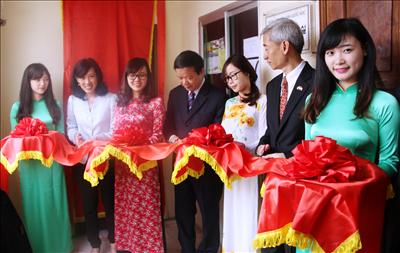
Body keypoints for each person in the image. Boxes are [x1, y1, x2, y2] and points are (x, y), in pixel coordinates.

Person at [302, 17, 400, 253]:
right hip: (314, 205)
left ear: (364, 50)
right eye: (330, 53)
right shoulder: (313, 101)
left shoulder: (384, 103)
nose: (338, 60)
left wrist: (354, 183)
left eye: (347, 50)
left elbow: (390, 161)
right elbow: (307, 153)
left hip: (357, 208)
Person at [255, 18, 315, 253]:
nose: (265, 56)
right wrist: (264, 143)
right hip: (275, 178)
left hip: (302, 176)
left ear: (285, 46)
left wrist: (288, 154)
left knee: (295, 241)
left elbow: (319, 136)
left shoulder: (318, 82)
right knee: (274, 240)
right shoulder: (272, 86)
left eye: (267, 47)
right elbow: (273, 129)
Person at [164, 50, 227, 253]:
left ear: (201, 72)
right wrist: (173, 138)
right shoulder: (175, 94)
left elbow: (219, 131)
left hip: (206, 166)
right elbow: (168, 126)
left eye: (189, 77)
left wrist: (196, 142)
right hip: (181, 165)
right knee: (183, 212)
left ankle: (209, 249)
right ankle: (187, 249)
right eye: (180, 77)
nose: (185, 82)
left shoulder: (218, 96)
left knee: (209, 213)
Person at [10, 63, 72, 253]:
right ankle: (38, 248)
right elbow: (15, 140)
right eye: (37, 79)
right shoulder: (18, 108)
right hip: (29, 166)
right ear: (28, 82)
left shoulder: (56, 105)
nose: (42, 83)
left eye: (45, 79)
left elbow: (61, 134)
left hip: (52, 162)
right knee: (34, 207)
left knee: (56, 204)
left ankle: (61, 247)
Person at [112, 58, 165, 253]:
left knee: (147, 208)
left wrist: (138, 146)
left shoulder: (155, 102)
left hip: (145, 164)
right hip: (123, 164)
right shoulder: (120, 103)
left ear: (148, 78)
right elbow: (115, 131)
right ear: (126, 77)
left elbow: (158, 134)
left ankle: (150, 248)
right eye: (133, 75)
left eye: (142, 75)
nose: (137, 79)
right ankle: (130, 247)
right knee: (127, 208)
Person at [66, 58, 116, 253]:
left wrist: (96, 141)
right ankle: (94, 243)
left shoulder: (111, 98)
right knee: (89, 204)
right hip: (84, 159)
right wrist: (75, 137)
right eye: (82, 77)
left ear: (98, 77)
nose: (87, 82)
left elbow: (114, 129)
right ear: (77, 80)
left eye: (91, 76)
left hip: (105, 157)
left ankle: (113, 240)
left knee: (110, 201)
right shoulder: (73, 100)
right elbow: (71, 125)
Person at [220, 55, 267, 253]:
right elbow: (223, 132)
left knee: (249, 210)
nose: (231, 81)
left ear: (247, 72)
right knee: (232, 211)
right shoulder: (229, 103)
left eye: (234, 75)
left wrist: (248, 149)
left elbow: (264, 133)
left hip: (250, 165)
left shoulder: (262, 101)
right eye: (227, 78)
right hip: (231, 165)